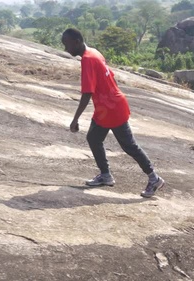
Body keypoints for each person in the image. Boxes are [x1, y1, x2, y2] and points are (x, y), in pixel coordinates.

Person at [61, 28, 164, 198]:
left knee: (129, 146)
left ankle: (155, 178)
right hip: (107, 106)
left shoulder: (88, 59)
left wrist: (75, 119)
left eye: (67, 45)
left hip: (112, 108)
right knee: (94, 138)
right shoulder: (93, 52)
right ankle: (106, 175)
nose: (66, 49)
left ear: (77, 42)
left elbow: (87, 92)